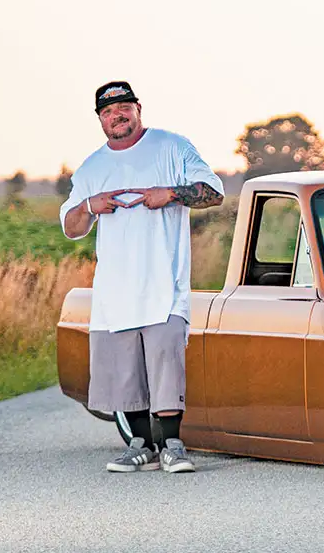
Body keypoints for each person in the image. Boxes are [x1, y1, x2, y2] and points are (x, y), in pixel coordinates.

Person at [60, 81, 224, 473]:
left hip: (164, 286)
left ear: (137, 108)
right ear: (100, 118)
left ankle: (172, 445)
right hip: (115, 291)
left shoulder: (172, 147)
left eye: (123, 108)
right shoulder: (92, 167)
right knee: (124, 372)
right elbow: (70, 226)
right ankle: (140, 446)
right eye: (107, 111)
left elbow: (214, 191)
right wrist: (90, 205)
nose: (116, 116)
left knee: (166, 362)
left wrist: (169, 193)